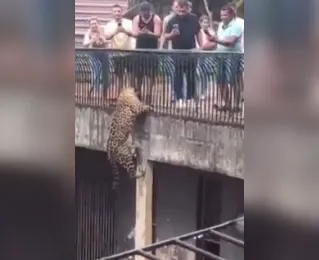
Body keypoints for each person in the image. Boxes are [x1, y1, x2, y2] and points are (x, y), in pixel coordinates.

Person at [164, 0, 201, 108]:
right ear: (176, 8)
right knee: (178, 76)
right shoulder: (172, 20)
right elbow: (165, 36)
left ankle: (190, 98)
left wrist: (201, 47)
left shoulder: (194, 19)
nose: (181, 10)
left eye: (183, 8)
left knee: (191, 76)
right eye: (179, 8)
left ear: (188, 8)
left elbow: (198, 33)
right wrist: (172, 34)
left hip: (191, 52)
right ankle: (179, 98)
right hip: (178, 53)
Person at [206, 4, 243, 112]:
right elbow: (219, 40)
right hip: (221, 56)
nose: (222, 17)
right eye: (221, 15)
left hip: (233, 56)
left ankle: (236, 105)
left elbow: (231, 42)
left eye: (225, 15)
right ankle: (227, 104)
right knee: (220, 81)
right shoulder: (221, 25)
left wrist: (216, 40)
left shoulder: (236, 25)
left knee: (234, 81)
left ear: (232, 14)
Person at [131, 1, 162, 103]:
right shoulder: (137, 18)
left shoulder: (156, 18)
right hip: (139, 49)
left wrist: (149, 33)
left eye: (147, 11)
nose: (145, 13)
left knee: (151, 74)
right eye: (143, 11)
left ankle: (149, 95)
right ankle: (138, 93)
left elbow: (158, 34)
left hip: (152, 49)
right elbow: (134, 33)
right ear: (141, 11)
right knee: (138, 74)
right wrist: (141, 32)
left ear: (150, 11)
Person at [104, 4, 136, 99]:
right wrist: (116, 31)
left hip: (129, 52)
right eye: (115, 11)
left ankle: (131, 95)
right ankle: (120, 95)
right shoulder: (109, 25)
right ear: (112, 13)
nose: (117, 13)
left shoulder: (129, 23)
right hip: (116, 53)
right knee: (119, 75)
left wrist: (124, 31)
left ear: (122, 12)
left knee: (131, 75)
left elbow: (134, 34)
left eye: (119, 11)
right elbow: (107, 37)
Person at [83, 17, 107, 97]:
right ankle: (95, 91)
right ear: (90, 26)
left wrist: (103, 40)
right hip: (94, 53)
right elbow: (85, 44)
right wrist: (91, 41)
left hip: (104, 53)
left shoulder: (103, 30)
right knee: (95, 72)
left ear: (98, 24)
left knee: (106, 72)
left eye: (95, 23)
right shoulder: (88, 32)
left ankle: (105, 91)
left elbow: (108, 41)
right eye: (92, 24)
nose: (94, 25)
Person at [197, 15, 217, 100]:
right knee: (199, 74)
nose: (206, 24)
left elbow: (214, 44)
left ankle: (204, 92)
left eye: (207, 22)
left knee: (205, 74)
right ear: (200, 23)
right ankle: (198, 91)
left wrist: (204, 47)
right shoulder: (198, 32)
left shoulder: (211, 32)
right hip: (199, 55)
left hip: (208, 55)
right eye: (204, 22)